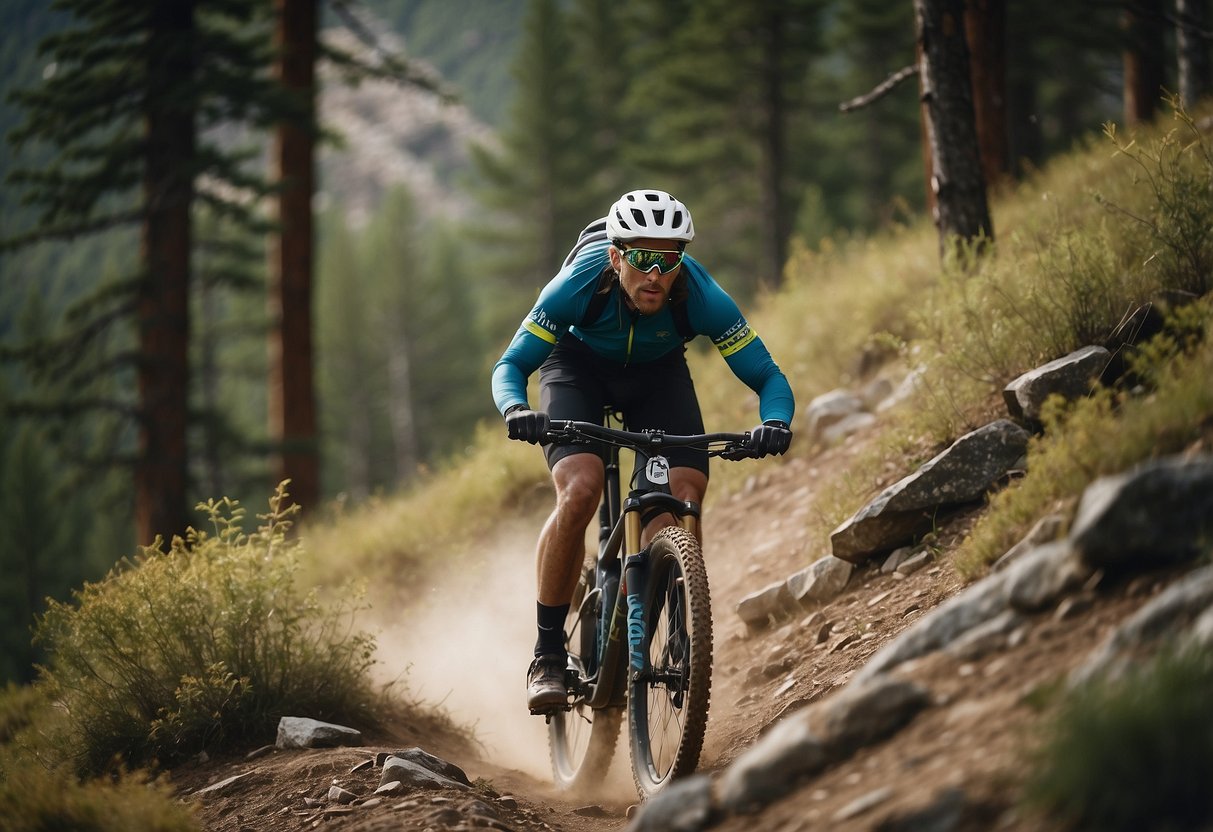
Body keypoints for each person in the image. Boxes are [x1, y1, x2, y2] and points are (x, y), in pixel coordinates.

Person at [491, 189, 795, 712]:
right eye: (641, 258)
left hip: (656, 376)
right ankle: (547, 655)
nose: (655, 273)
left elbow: (767, 375)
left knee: (683, 491)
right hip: (577, 368)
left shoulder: (700, 294)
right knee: (582, 487)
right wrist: (517, 410)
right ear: (616, 256)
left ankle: (678, 626)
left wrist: (774, 421)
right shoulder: (576, 285)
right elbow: (511, 365)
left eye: (669, 259)